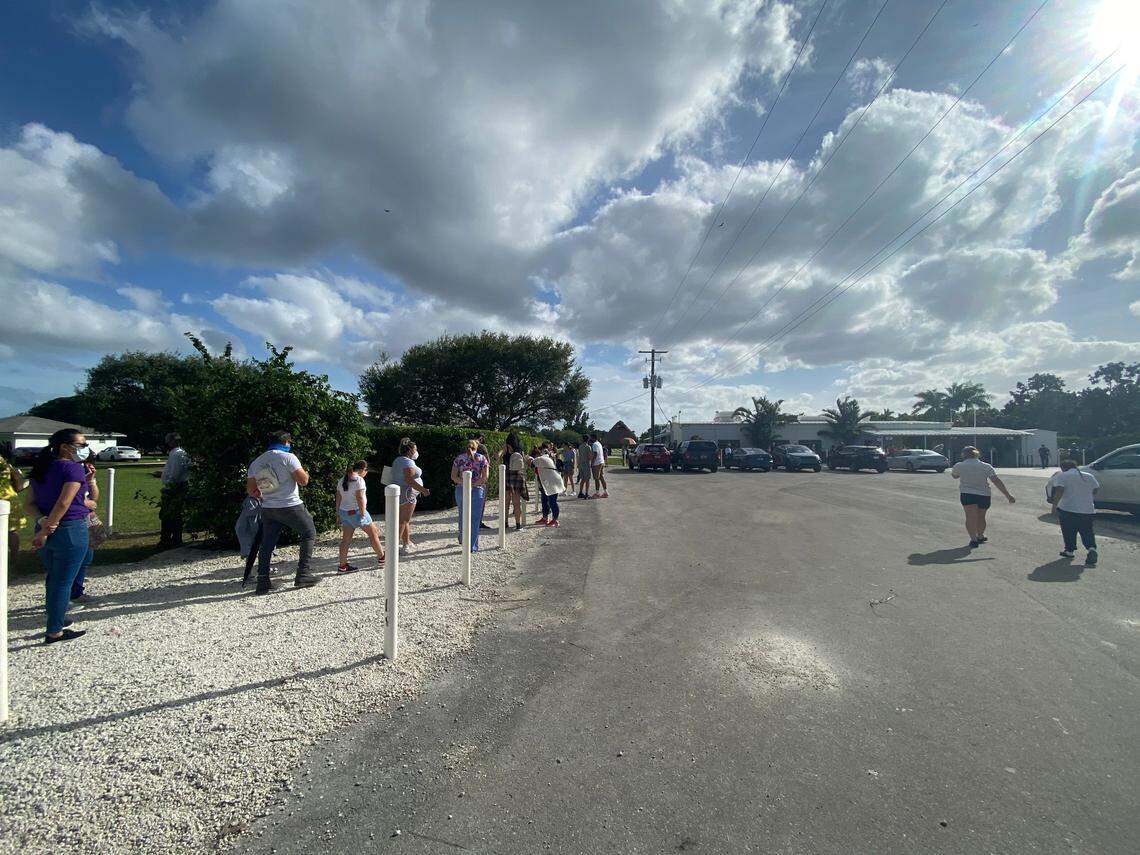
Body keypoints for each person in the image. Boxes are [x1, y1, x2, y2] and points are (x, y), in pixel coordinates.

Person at [29, 428, 95, 642]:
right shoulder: (72, 469)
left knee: (54, 577)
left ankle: (55, 616)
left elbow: (29, 504)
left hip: (45, 525)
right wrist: (49, 528)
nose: (85, 449)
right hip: (69, 529)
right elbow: (64, 503)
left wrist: (42, 524)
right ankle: (54, 630)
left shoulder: (41, 469)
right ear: (65, 447)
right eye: (82, 445)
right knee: (63, 581)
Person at [246, 431, 320, 594]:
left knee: (267, 543)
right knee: (308, 533)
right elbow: (303, 481)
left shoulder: (257, 462)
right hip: (290, 505)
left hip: (269, 508)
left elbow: (251, 490)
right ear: (285, 442)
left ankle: (263, 580)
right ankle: (303, 574)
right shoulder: (289, 457)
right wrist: (304, 472)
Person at [951, 446, 1015, 548]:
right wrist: (1008, 495)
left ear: (964, 454)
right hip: (984, 494)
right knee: (981, 517)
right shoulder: (986, 466)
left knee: (970, 517)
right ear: (977, 454)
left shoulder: (959, 465)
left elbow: (955, 476)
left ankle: (973, 539)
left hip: (967, 494)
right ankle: (980, 535)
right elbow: (996, 481)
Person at [335, 460, 385, 572]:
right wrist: (363, 513)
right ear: (362, 470)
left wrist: (338, 514)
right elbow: (360, 498)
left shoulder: (342, 480)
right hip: (357, 511)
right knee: (373, 534)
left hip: (344, 512)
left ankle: (342, 566)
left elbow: (338, 498)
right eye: (366, 471)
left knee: (345, 540)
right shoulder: (359, 480)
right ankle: (382, 557)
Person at [1050, 459, 1099, 564]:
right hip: (1087, 509)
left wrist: (1054, 506)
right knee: (1087, 531)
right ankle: (1091, 549)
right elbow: (1095, 490)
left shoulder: (1063, 476)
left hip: (1068, 509)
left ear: (1063, 468)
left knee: (1069, 531)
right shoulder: (1088, 476)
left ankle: (1069, 551)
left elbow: (1059, 491)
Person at [70, 459, 103, 605]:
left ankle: (76, 592)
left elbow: (94, 498)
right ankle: (65, 596)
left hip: (85, 519)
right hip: (73, 519)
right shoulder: (66, 471)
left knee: (85, 558)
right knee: (71, 561)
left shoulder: (80, 470)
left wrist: (91, 480)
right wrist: (86, 503)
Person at [153, 433, 191, 548]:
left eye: (168, 441)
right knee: (174, 514)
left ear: (173, 442)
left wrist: (169, 485)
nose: (167, 443)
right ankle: (174, 539)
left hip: (175, 487)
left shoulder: (177, 454)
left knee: (168, 514)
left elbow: (175, 472)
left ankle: (168, 540)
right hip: (176, 486)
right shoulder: (178, 453)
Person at [393, 437, 430, 553]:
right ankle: (393, 548)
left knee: (405, 521)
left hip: (404, 493)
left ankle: (406, 543)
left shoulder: (398, 460)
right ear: (410, 451)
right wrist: (423, 490)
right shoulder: (407, 462)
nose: (416, 451)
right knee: (403, 521)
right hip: (408, 493)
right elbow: (409, 479)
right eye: (415, 449)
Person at [452, 439, 489, 551]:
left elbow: (454, 476)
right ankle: (471, 546)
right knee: (474, 518)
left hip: (461, 489)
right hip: (477, 489)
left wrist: (465, 483)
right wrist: (474, 484)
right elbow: (485, 477)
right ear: (477, 447)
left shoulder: (459, 458)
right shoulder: (483, 459)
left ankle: (462, 538)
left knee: (463, 514)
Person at [0, 452, 27, 560]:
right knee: (11, 531)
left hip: (4, 497)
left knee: (10, 531)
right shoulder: (2, 460)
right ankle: (14, 558)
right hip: (9, 496)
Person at [500, 432, 528, 530]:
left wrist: (503, 449)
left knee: (506, 502)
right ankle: (518, 524)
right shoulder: (520, 450)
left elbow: (497, 458)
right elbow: (525, 462)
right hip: (518, 476)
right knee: (516, 502)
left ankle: (505, 522)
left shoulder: (506, 449)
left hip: (507, 475)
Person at [532, 443, 564, 526]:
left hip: (551, 482)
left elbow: (530, 463)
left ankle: (555, 520)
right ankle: (545, 518)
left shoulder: (541, 459)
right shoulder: (548, 457)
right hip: (546, 483)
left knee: (552, 501)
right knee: (544, 500)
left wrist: (528, 457)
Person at [590, 433, 608, 498]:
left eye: (591, 438)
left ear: (593, 438)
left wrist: (592, 463)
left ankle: (597, 493)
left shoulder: (594, 444)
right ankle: (605, 492)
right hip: (601, 462)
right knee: (601, 477)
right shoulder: (599, 443)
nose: (590, 439)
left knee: (596, 479)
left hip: (597, 463)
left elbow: (595, 454)